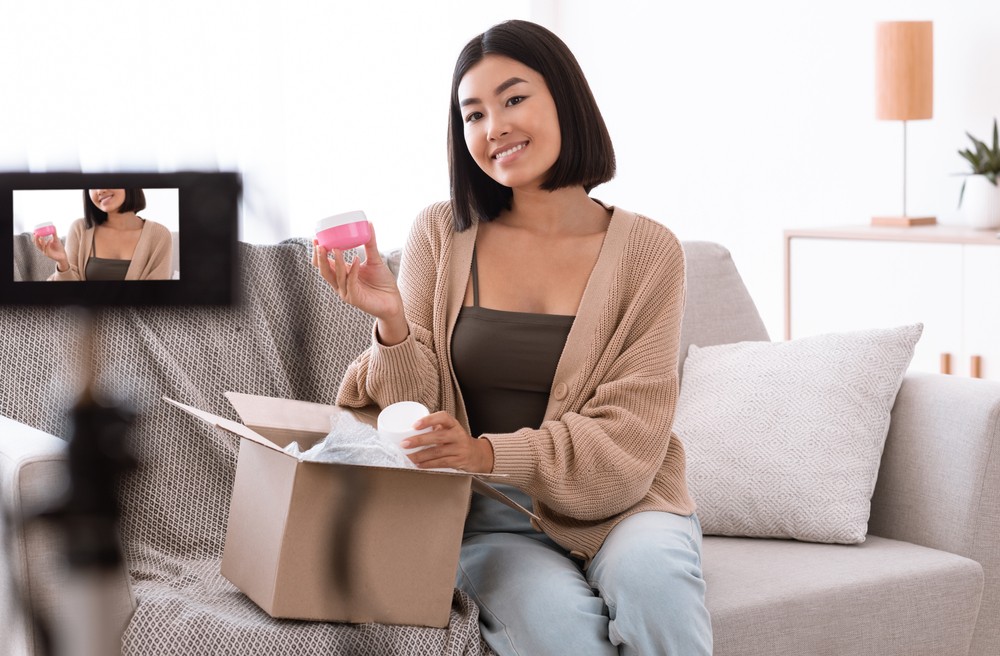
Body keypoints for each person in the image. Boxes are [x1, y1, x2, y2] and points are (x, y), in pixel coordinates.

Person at [312, 19, 711, 656]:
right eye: (472, 114)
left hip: (628, 508)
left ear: (566, 99)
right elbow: (416, 417)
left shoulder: (650, 252)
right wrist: (391, 322)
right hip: (489, 521)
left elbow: (634, 432)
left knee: (657, 585)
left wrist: (489, 451)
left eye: (514, 98)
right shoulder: (440, 234)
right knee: (563, 637)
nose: (493, 127)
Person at [34, 188, 173, 280]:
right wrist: (63, 262)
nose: (100, 190)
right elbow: (68, 297)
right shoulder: (80, 229)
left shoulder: (159, 236)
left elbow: (157, 297)